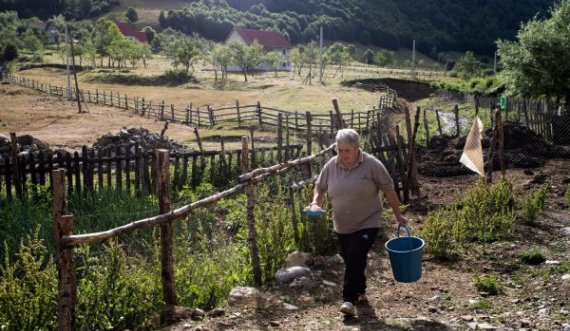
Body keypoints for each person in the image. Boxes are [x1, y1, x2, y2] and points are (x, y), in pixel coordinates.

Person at [305, 128, 408, 317]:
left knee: (354, 255)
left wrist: (398, 215)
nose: (343, 155)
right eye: (340, 150)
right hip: (342, 225)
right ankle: (360, 290)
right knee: (353, 260)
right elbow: (319, 188)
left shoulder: (371, 164)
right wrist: (314, 203)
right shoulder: (331, 165)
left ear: (357, 148)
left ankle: (348, 300)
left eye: (347, 150)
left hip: (368, 221)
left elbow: (389, 189)